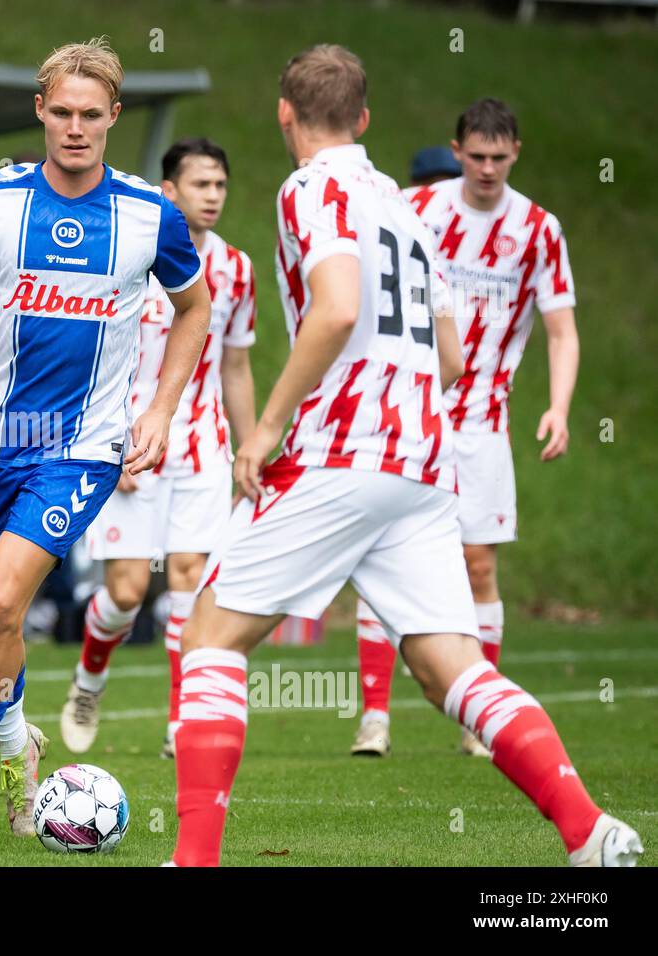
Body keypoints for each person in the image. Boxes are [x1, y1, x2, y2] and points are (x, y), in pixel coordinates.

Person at [167, 44, 640, 868]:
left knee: (209, 636)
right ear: (365, 119)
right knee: (448, 666)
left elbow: (338, 305)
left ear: (286, 113)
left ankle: (195, 862)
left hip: (340, 453)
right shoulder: (406, 208)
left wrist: (268, 426)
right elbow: (452, 358)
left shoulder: (310, 187)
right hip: (425, 463)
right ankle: (591, 832)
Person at [0, 37, 211, 842]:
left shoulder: (148, 216)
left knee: (0, 603)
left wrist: (162, 407)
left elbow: (194, 310)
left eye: (90, 116)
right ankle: (18, 744)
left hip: (82, 451)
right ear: (40, 111)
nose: (75, 128)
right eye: (61, 112)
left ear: (114, 118)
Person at [353, 99, 582, 758]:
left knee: (479, 564)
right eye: (476, 156)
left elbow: (562, 329)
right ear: (456, 152)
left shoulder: (538, 229)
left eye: (499, 157)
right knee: (382, 553)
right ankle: (374, 717)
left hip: (483, 420)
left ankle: (476, 719)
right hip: (410, 411)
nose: (487, 168)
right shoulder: (420, 210)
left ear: (517, 153)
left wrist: (560, 407)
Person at [61, 135, 258, 760]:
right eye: (201, 185)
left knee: (187, 580)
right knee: (125, 593)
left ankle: (178, 722)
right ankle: (89, 680)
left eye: (220, 185)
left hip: (203, 445)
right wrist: (103, 439)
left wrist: (250, 447)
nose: (213, 197)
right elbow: (89, 357)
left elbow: (236, 367)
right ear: (168, 191)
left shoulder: (237, 269)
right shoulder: (127, 252)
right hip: (126, 442)